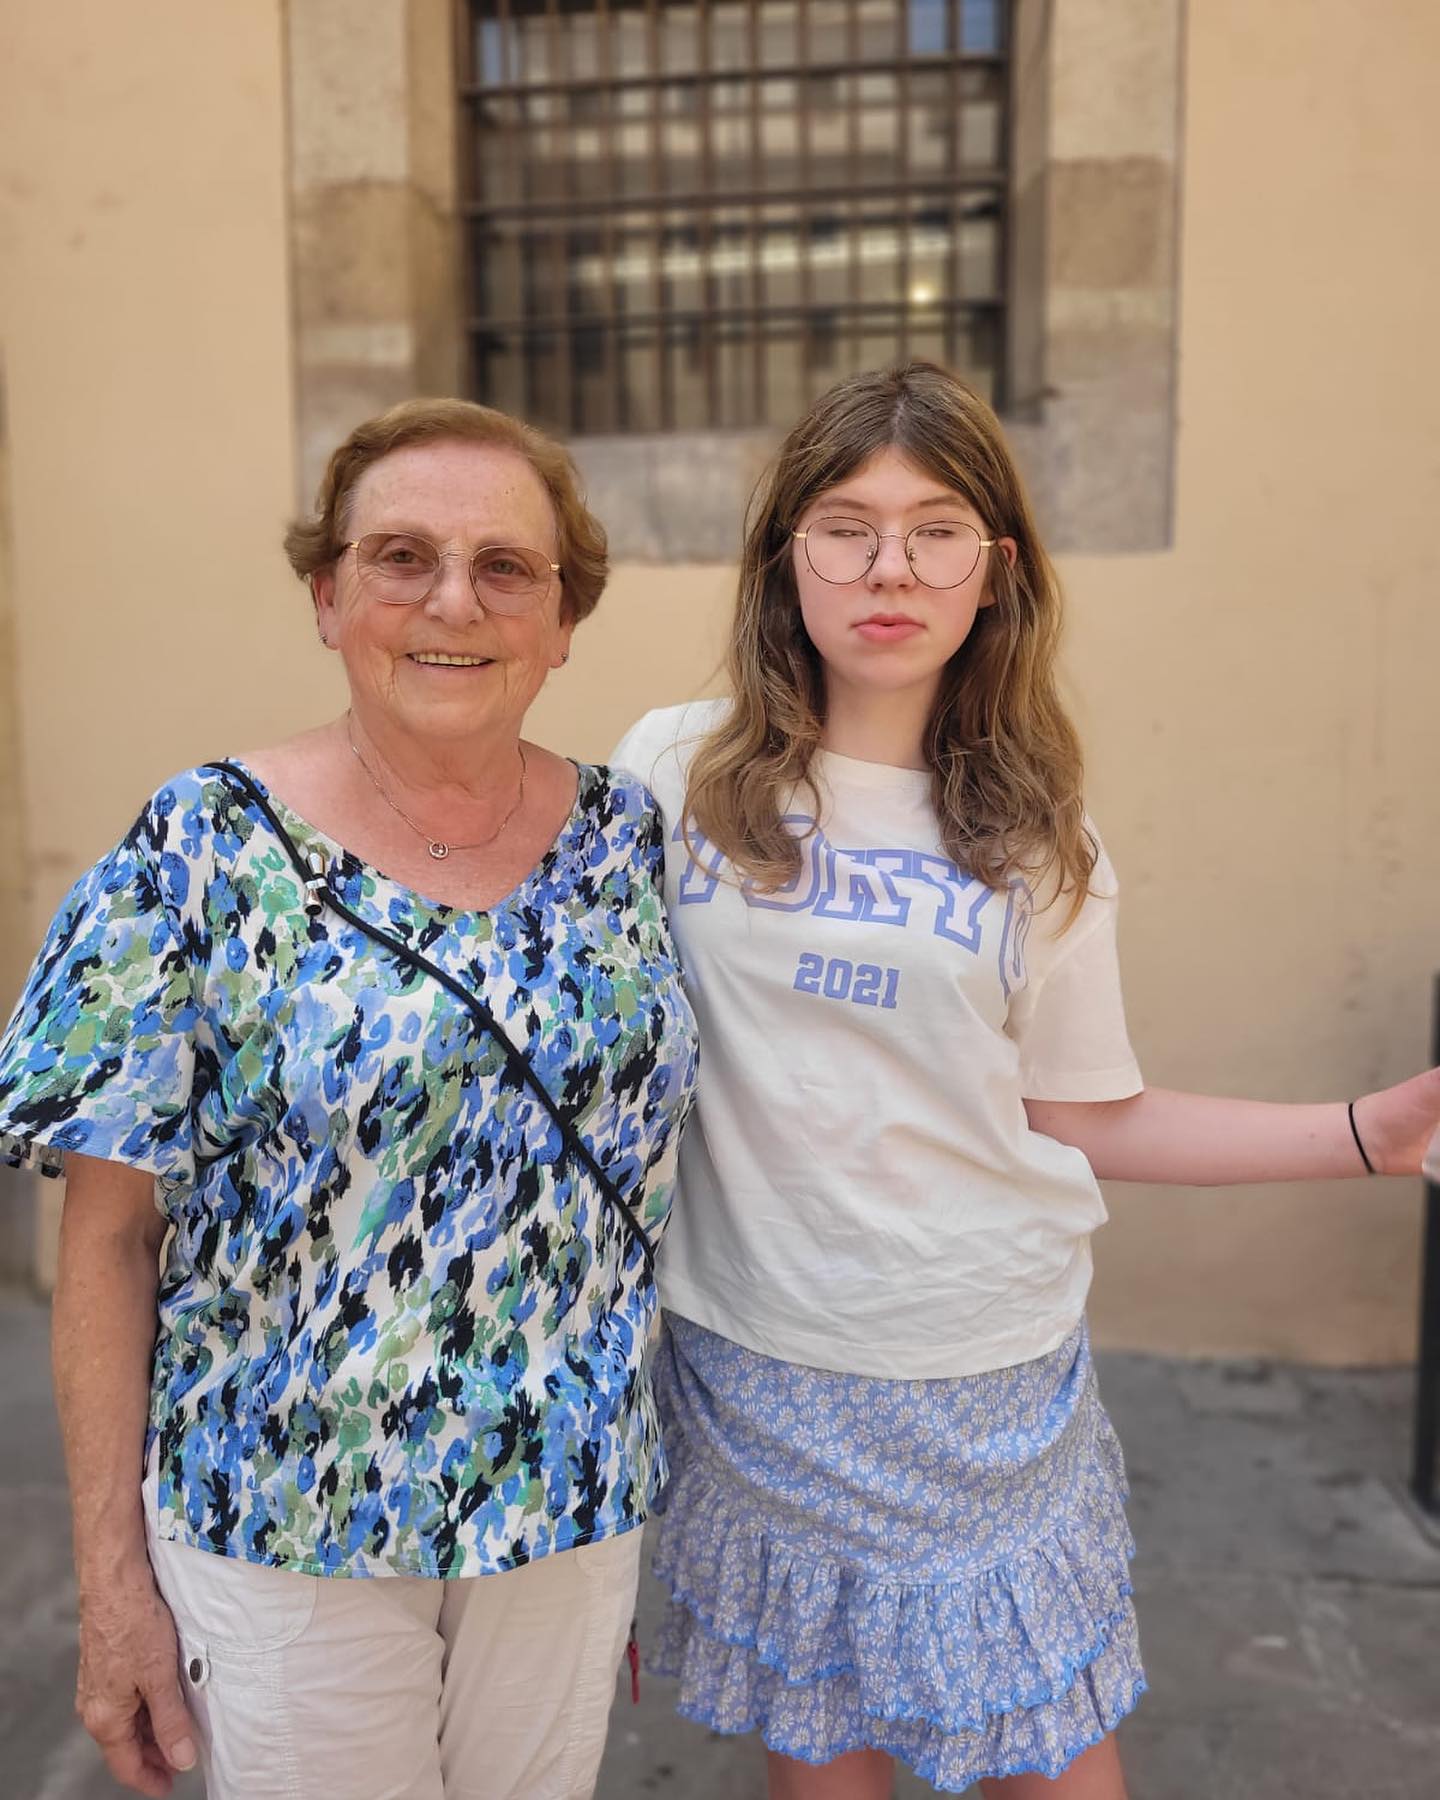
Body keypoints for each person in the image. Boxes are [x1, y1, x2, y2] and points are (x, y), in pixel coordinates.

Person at [611, 362, 1440, 1800]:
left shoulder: (1039, 839)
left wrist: (1369, 1134)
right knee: (826, 1760)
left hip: (979, 1374)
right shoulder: (671, 773)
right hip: (754, 1361)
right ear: (782, 557)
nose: (890, 568)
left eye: (937, 529)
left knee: (1051, 1768)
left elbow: (1081, 1113)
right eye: (845, 526)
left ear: (995, 572)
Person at [0, 398, 699, 1800]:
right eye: (400, 558)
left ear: (565, 621)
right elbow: (109, 1239)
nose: (455, 600)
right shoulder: (197, 848)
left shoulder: (633, 838)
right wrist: (113, 1585)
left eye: (507, 566)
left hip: (564, 1499)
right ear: (328, 597)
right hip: (285, 1512)